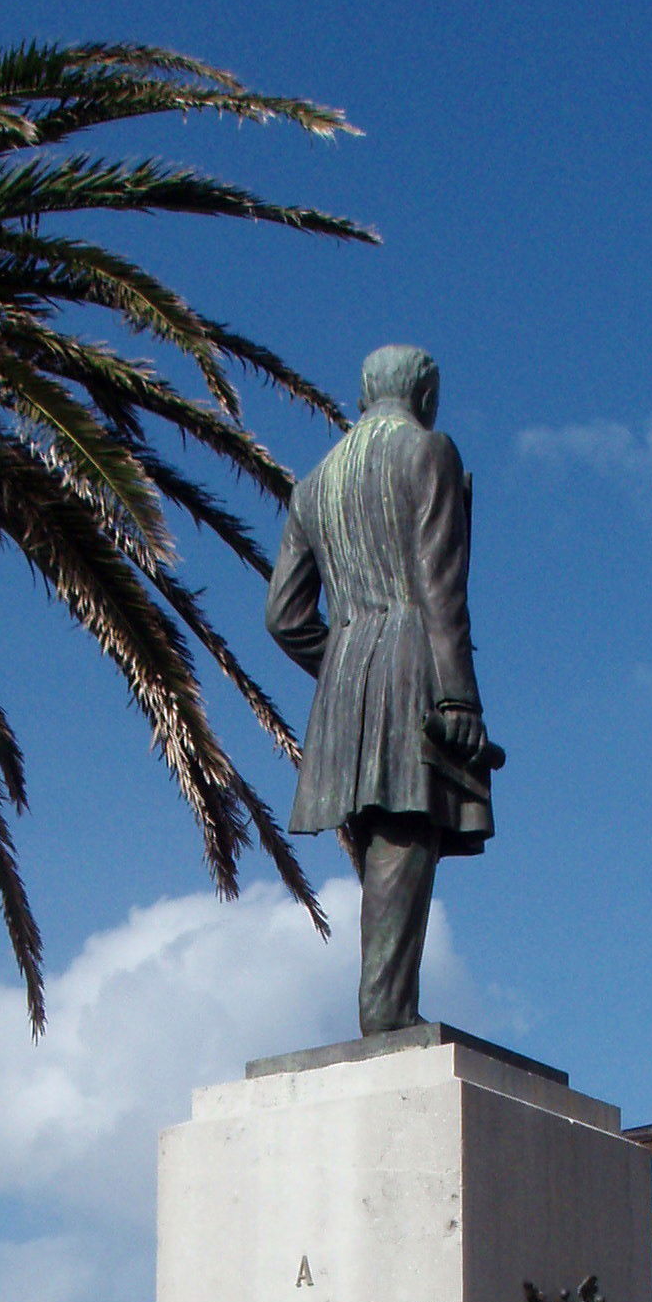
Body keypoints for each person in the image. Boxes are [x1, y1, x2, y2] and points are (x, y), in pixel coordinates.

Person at [264, 344, 498, 1036]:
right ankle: (388, 1012)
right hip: (410, 657)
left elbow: (283, 618)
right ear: (424, 394)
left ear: (366, 397)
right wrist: (457, 697)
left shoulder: (314, 483)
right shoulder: (429, 450)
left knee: (380, 836)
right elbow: (439, 586)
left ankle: (388, 1003)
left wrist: (341, 665)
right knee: (405, 829)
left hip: (348, 668)